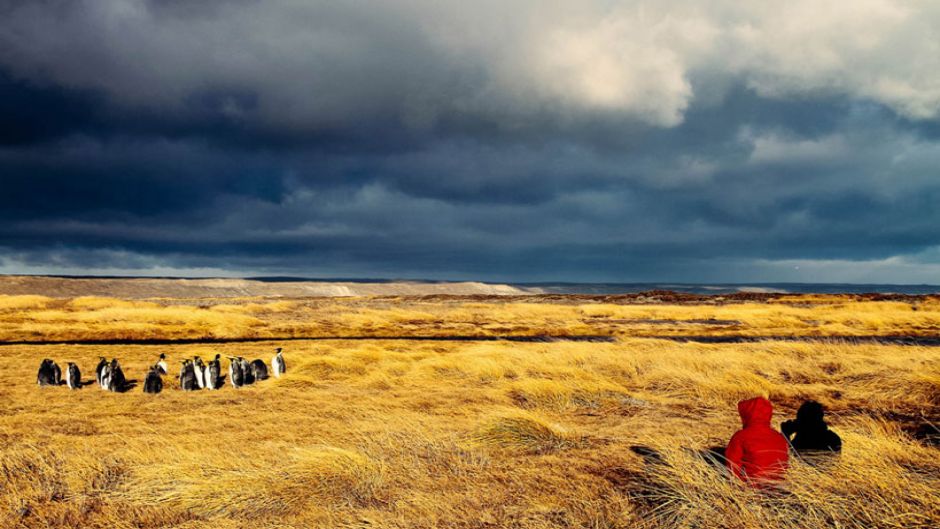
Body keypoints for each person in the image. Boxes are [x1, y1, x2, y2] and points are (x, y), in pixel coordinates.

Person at [725, 397, 789, 485]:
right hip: (778, 485)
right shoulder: (779, 437)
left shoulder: (740, 437)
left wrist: (737, 485)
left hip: (752, 486)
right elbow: (784, 463)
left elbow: (732, 467)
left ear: (747, 415)